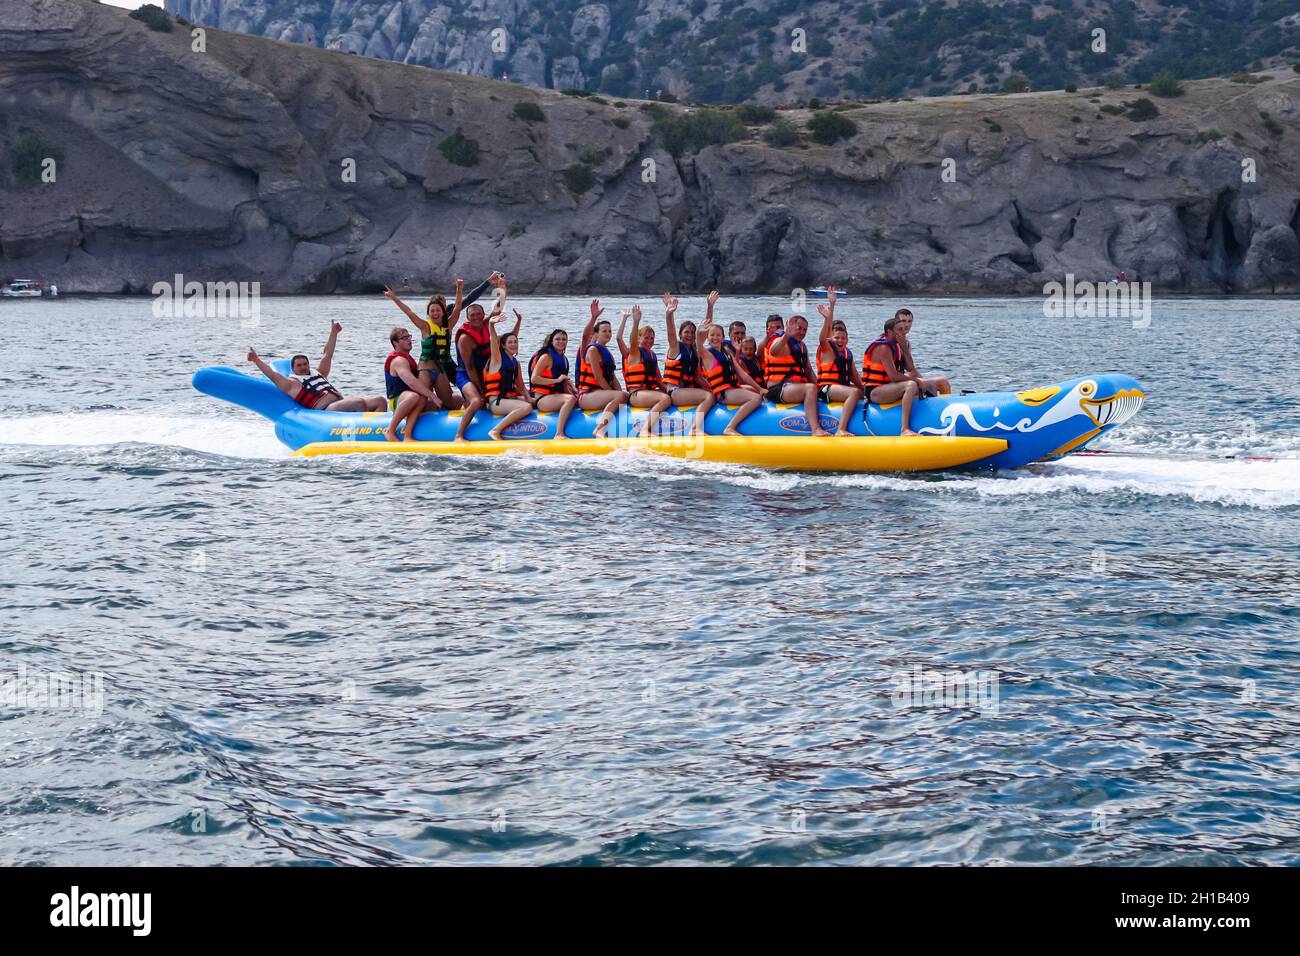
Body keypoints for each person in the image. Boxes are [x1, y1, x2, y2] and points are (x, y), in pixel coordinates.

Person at [382, 272, 499, 410]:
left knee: (455, 392)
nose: (436, 312)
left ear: (443, 310)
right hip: (427, 366)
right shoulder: (425, 326)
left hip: (444, 364)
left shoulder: (448, 324)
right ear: (429, 312)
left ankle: (473, 404)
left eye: (439, 308)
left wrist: (459, 288)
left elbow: (459, 306)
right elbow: (409, 312)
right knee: (423, 399)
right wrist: (394, 298)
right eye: (433, 310)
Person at [246, 322, 386, 413]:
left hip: (341, 404)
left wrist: (334, 333)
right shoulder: (292, 384)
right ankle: (366, 431)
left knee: (380, 400)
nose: (303, 367)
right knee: (359, 402)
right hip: (325, 410)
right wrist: (256, 360)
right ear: (293, 368)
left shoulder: (319, 373)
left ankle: (380, 430)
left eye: (305, 364)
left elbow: (327, 354)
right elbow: (272, 374)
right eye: (299, 365)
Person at [453, 275, 517, 441]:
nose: (475, 317)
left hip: (483, 372)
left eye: (478, 314)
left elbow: (498, 309)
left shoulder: (486, 325)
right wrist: (482, 391)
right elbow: (470, 368)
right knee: (476, 401)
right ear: (467, 318)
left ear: (483, 315)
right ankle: (459, 434)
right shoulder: (465, 339)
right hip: (465, 375)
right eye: (472, 315)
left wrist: (503, 289)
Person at [763, 313, 829, 437]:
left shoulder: (801, 346)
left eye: (805, 330)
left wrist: (822, 389)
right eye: (799, 328)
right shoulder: (781, 340)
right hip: (777, 389)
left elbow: (809, 371)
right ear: (791, 327)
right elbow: (774, 351)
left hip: (794, 388)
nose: (802, 332)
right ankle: (815, 429)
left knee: (818, 388)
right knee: (810, 388)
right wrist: (786, 336)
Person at [698, 315, 763, 436]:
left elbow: (742, 375)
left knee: (756, 391)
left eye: (718, 335)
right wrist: (698, 332)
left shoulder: (727, 352)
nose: (715, 338)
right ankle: (730, 427)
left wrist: (760, 388)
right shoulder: (708, 355)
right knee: (756, 398)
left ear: (723, 337)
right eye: (712, 335)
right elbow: (699, 346)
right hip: (723, 393)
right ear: (707, 338)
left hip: (731, 388)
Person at [662, 291, 715, 436]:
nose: (690, 335)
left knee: (713, 393)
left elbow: (698, 377)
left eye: (692, 332)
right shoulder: (675, 348)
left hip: (686, 391)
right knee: (708, 397)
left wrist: (710, 305)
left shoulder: (694, 351)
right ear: (681, 334)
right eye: (687, 332)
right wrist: (669, 314)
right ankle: (695, 429)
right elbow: (670, 333)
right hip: (675, 392)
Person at [813, 288, 863, 436]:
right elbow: (824, 337)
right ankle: (841, 429)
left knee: (861, 391)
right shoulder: (827, 349)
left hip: (841, 388)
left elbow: (856, 379)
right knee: (854, 393)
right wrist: (828, 315)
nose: (840, 340)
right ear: (832, 339)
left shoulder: (847, 354)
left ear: (847, 339)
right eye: (837, 338)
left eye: (843, 338)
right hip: (826, 389)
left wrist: (870, 391)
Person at [617, 305, 672, 435]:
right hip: (636, 394)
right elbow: (626, 340)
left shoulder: (652, 355)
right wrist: (635, 321)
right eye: (646, 337)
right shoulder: (635, 353)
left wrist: (672, 393)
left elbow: (659, 380)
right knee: (664, 399)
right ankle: (644, 429)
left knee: (669, 396)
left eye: (652, 338)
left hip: (649, 393)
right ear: (639, 338)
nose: (649, 341)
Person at [862, 317, 920, 437]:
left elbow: (910, 368)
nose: (903, 332)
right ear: (889, 331)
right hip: (875, 392)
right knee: (911, 385)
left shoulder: (898, 345)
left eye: (904, 329)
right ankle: (904, 429)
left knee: (940, 381)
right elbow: (893, 376)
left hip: (890, 388)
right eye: (899, 330)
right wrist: (916, 381)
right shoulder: (883, 348)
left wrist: (904, 348)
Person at [482, 310, 534, 440]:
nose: (513, 344)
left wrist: (531, 399)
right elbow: (493, 341)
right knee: (526, 407)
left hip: (507, 399)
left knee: (531, 402)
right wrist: (491, 325)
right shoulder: (497, 360)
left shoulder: (515, 363)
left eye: (515, 342)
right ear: (503, 346)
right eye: (510, 342)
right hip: (496, 402)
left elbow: (521, 387)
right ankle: (495, 430)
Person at [576, 309, 628, 439]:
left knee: (624, 395)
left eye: (610, 331)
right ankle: (600, 428)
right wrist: (615, 394)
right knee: (620, 396)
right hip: (587, 395)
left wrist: (621, 394)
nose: (608, 333)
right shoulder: (593, 350)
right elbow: (598, 378)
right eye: (604, 331)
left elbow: (612, 376)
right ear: (596, 334)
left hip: (600, 394)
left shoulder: (606, 352)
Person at [383, 326, 441, 441]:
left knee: (431, 402)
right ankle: (390, 431)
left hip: (412, 400)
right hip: (397, 401)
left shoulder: (408, 358)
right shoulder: (399, 360)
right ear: (395, 343)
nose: (409, 340)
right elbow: (412, 382)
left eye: (409, 337)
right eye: (404, 338)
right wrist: (432, 395)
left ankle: (408, 435)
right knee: (414, 396)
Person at [528, 328, 579, 440]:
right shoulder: (546, 357)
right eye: (557, 339)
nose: (561, 341)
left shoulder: (564, 359)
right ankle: (559, 433)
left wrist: (575, 390)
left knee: (576, 398)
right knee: (569, 399)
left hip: (555, 396)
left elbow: (564, 380)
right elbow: (534, 379)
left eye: (564, 339)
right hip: (542, 399)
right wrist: (556, 381)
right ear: (552, 341)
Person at [894, 308, 951, 397]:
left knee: (943, 382)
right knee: (934, 384)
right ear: (896, 322)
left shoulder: (906, 343)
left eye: (909, 321)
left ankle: (947, 406)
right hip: (891, 383)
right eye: (903, 321)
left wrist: (922, 380)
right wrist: (922, 382)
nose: (906, 325)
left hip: (902, 379)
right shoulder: (890, 342)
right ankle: (934, 408)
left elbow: (911, 370)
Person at [758, 313, 785, 377]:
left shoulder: (791, 342)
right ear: (767, 330)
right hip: (772, 378)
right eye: (772, 328)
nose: (775, 330)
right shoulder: (762, 346)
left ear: (783, 328)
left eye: (778, 327)